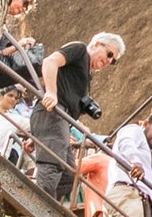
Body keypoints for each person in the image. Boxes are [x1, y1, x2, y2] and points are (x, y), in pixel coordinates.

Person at [33, 32, 124, 204]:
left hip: (59, 121)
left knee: (68, 176)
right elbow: (50, 61)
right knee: (52, 165)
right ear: (97, 44)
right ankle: (40, 207)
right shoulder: (80, 50)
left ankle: (45, 204)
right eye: (109, 54)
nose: (108, 61)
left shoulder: (85, 76)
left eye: (113, 61)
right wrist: (51, 92)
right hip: (53, 112)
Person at [0, 0, 40, 92]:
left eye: (26, 9)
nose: (23, 9)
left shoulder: (4, 27)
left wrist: (18, 45)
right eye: (24, 3)